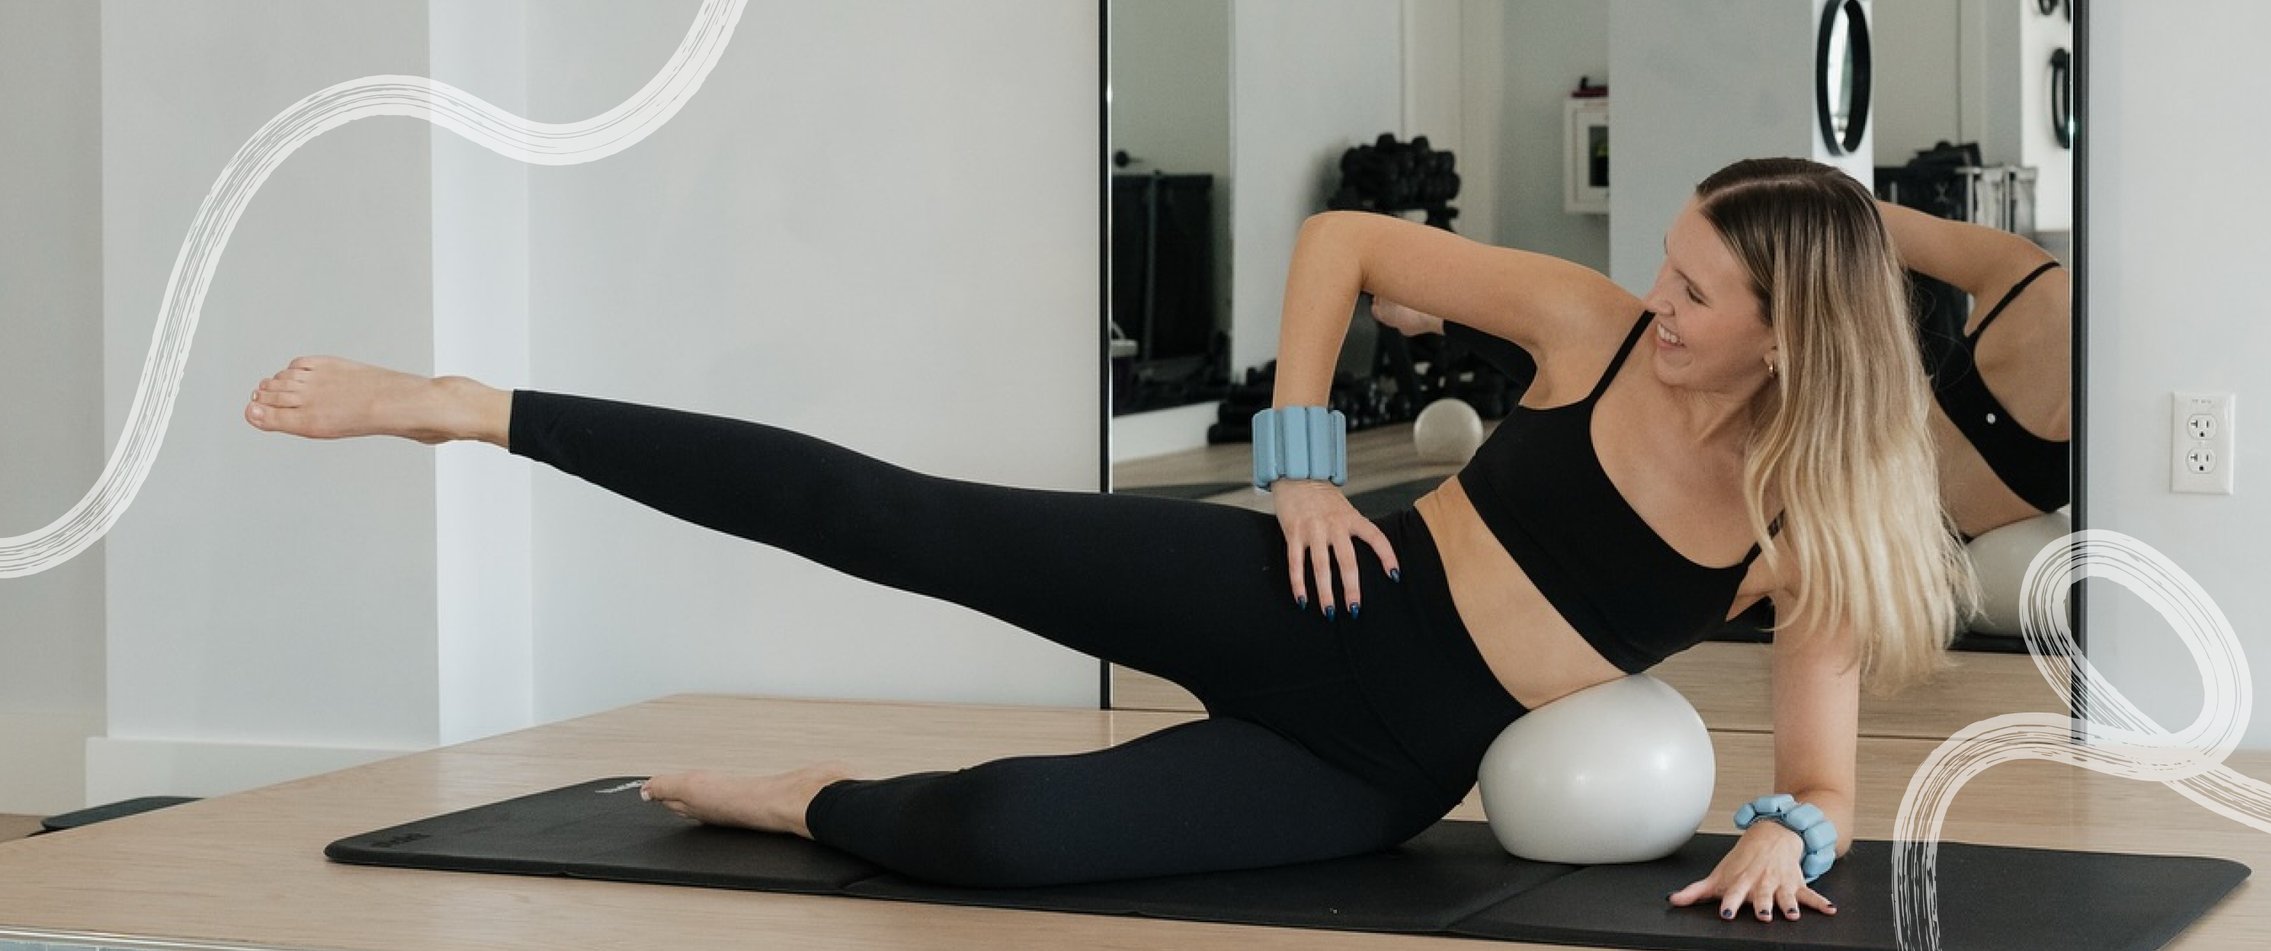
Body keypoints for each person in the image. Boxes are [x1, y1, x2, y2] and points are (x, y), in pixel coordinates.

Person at [241, 157, 1969, 924]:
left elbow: (1820, 766)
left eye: (1696, 289)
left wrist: (1787, 834)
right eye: (1667, 261)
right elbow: (1348, 240)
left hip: (1368, 764)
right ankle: (475, 407)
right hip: (1302, 585)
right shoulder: (1592, 330)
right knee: (890, 515)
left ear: (1791, 335)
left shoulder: (1805, 522)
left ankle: (799, 795)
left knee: (994, 836)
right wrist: (1301, 463)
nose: (1656, 296)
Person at [1374, 199, 2070, 539]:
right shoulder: (2026, 277)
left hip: (1840, 529)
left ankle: (1443, 309)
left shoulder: (2112, 378)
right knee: (1641, 361)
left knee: (1638, 385)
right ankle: (1446, 304)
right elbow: (1838, 214)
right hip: (1817, 464)